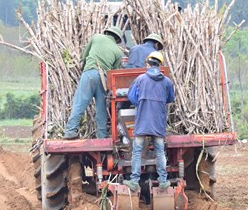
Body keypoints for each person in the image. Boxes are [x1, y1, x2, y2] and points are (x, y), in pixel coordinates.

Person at [123, 51, 175, 192]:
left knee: (137, 151)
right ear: (160, 65)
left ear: (147, 63)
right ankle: (163, 181)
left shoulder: (140, 79)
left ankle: (134, 181)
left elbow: (132, 98)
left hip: (142, 121)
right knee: (159, 152)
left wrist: (141, 102)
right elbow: (170, 98)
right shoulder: (167, 82)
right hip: (158, 122)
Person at [63, 26, 125, 139]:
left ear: (107, 33)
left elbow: (84, 56)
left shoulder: (96, 37)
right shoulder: (118, 51)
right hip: (104, 79)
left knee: (80, 103)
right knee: (101, 107)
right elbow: (114, 72)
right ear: (117, 39)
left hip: (89, 74)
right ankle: (101, 135)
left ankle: (70, 131)